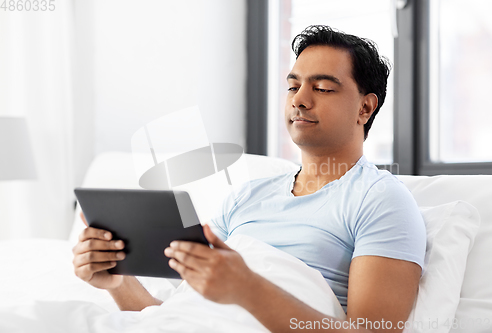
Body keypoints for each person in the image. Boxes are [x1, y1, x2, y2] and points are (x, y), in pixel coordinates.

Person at [72, 25, 425, 332]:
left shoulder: (381, 200)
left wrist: (248, 289)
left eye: (323, 88)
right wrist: (117, 282)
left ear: (365, 108)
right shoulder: (246, 196)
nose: (299, 100)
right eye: (293, 86)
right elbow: (184, 316)